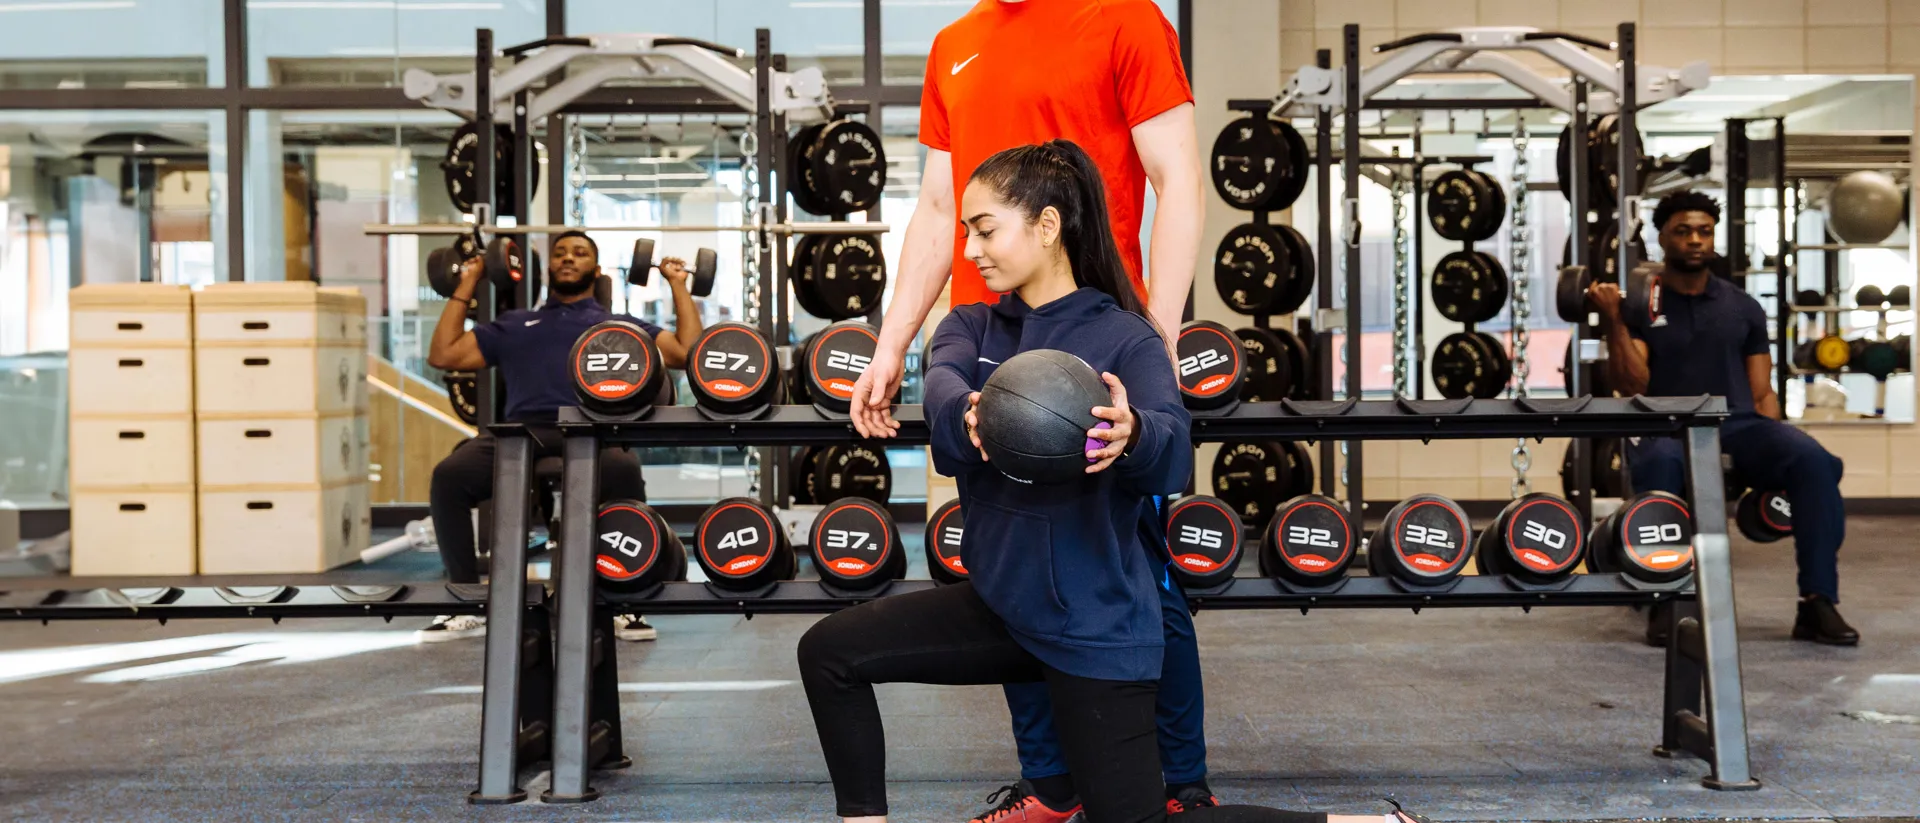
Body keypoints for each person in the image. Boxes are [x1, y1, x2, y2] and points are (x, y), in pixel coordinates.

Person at [797, 141, 1432, 823]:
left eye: (985, 228)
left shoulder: (1127, 339)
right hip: (1005, 605)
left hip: (1094, 619)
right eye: (967, 231)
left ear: (1046, 226)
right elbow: (946, 393)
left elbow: (1171, 454)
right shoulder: (972, 325)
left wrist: (1133, 436)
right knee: (830, 652)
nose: (972, 248)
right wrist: (969, 414)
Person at [846, 2, 1211, 818]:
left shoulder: (1125, 20)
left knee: (1133, 569)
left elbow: (1178, 176)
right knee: (1005, 559)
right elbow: (941, 211)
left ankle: (1179, 783)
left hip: (1091, 339)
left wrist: (1157, 331)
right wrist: (892, 340)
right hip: (991, 345)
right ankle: (1052, 784)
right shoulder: (955, 44)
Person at [1588, 192, 1857, 647]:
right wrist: (1614, 320)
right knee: (1660, 467)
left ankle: (1817, 602)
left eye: (1704, 231)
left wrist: (1776, 449)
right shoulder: (1643, 305)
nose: (1695, 240)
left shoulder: (1743, 307)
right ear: (1662, 238)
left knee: (1813, 461)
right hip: (1667, 425)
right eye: (1683, 231)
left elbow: (1762, 391)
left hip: (1737, 424)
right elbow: (1632, 385)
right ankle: (1663, 598)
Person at [418, 231, 704, 643]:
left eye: (580, 253)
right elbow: (443, 354)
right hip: (521, 432)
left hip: (590, 428)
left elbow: (686, 351)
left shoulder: (618, 324)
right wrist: (469, 280)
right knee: (450, 475)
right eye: (560, 253)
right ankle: (464, 603)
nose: (569, 258)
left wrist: (677, 283)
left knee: (623, 467)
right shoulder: (515, 324)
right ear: (549, 267)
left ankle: (626, 601)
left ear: (596, 269)